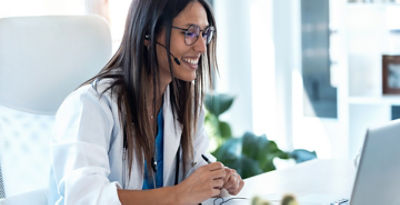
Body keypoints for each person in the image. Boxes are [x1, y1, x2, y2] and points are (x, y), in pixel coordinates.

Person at [48, 0, 244, 204]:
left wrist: (216, 179)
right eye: (189, 33)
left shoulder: (185, 102)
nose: (202, 46)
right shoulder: (91, 104)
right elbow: (85, 199)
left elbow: (193, 164)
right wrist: (180, 194)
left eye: (205, 33)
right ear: (148, 34)